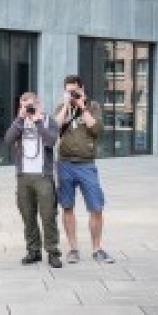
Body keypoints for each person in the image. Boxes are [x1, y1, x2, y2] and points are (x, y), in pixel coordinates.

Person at [54, 75, 114, 264]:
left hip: (87, 164)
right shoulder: (61, 107)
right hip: (64, 163)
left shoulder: (93, 106)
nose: (71, 94)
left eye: (74, 90)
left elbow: (96, 130)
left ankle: (97, 249)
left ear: (82, 89)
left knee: (96, 207)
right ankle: (73, 249)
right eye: (68, 91)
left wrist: (81, 105)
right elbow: (54, 128)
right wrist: (66, 105)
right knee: (67, 206)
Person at [5, 92, 62, 268]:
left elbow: (51, 141)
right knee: (28, 215)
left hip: (43, 176)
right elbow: (8, 140)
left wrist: (37, 120)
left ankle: (52, 251)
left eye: (31, 105)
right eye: (24, 105)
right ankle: (33, 250)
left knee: (48, 215)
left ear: (38, 104)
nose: (28, 108)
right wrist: (20, 119)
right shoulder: (19, 122)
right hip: (23, 176)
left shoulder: (47, 120)